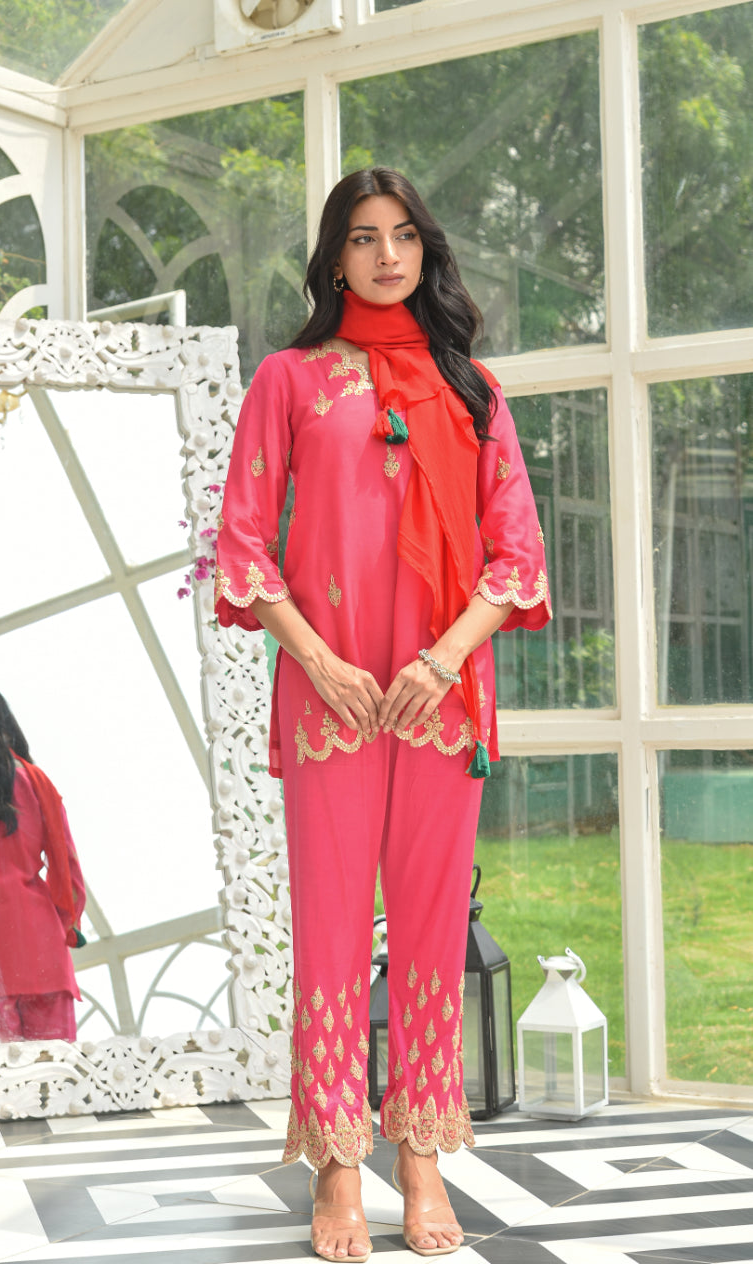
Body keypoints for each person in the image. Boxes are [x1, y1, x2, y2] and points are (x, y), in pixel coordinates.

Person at [215, 168, 551, 1260]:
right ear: (333, 259)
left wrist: (444, 656)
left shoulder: (472, 392)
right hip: (330, 699)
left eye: (404, 235)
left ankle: (419, 1151)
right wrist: (314, 657)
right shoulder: (290, 379)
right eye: (363, 238)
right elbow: (241, 545)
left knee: (427, 931)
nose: (387, 255)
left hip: (441, 700)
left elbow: (517, 555)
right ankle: (335, 1162)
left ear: (428, 250)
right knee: (327, 931)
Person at [0, 682, 86, 1043]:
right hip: (42, 945)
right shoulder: (37, 781)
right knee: (53, 1075)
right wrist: (68, 924)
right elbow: (67, 867)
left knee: (2, 1081)